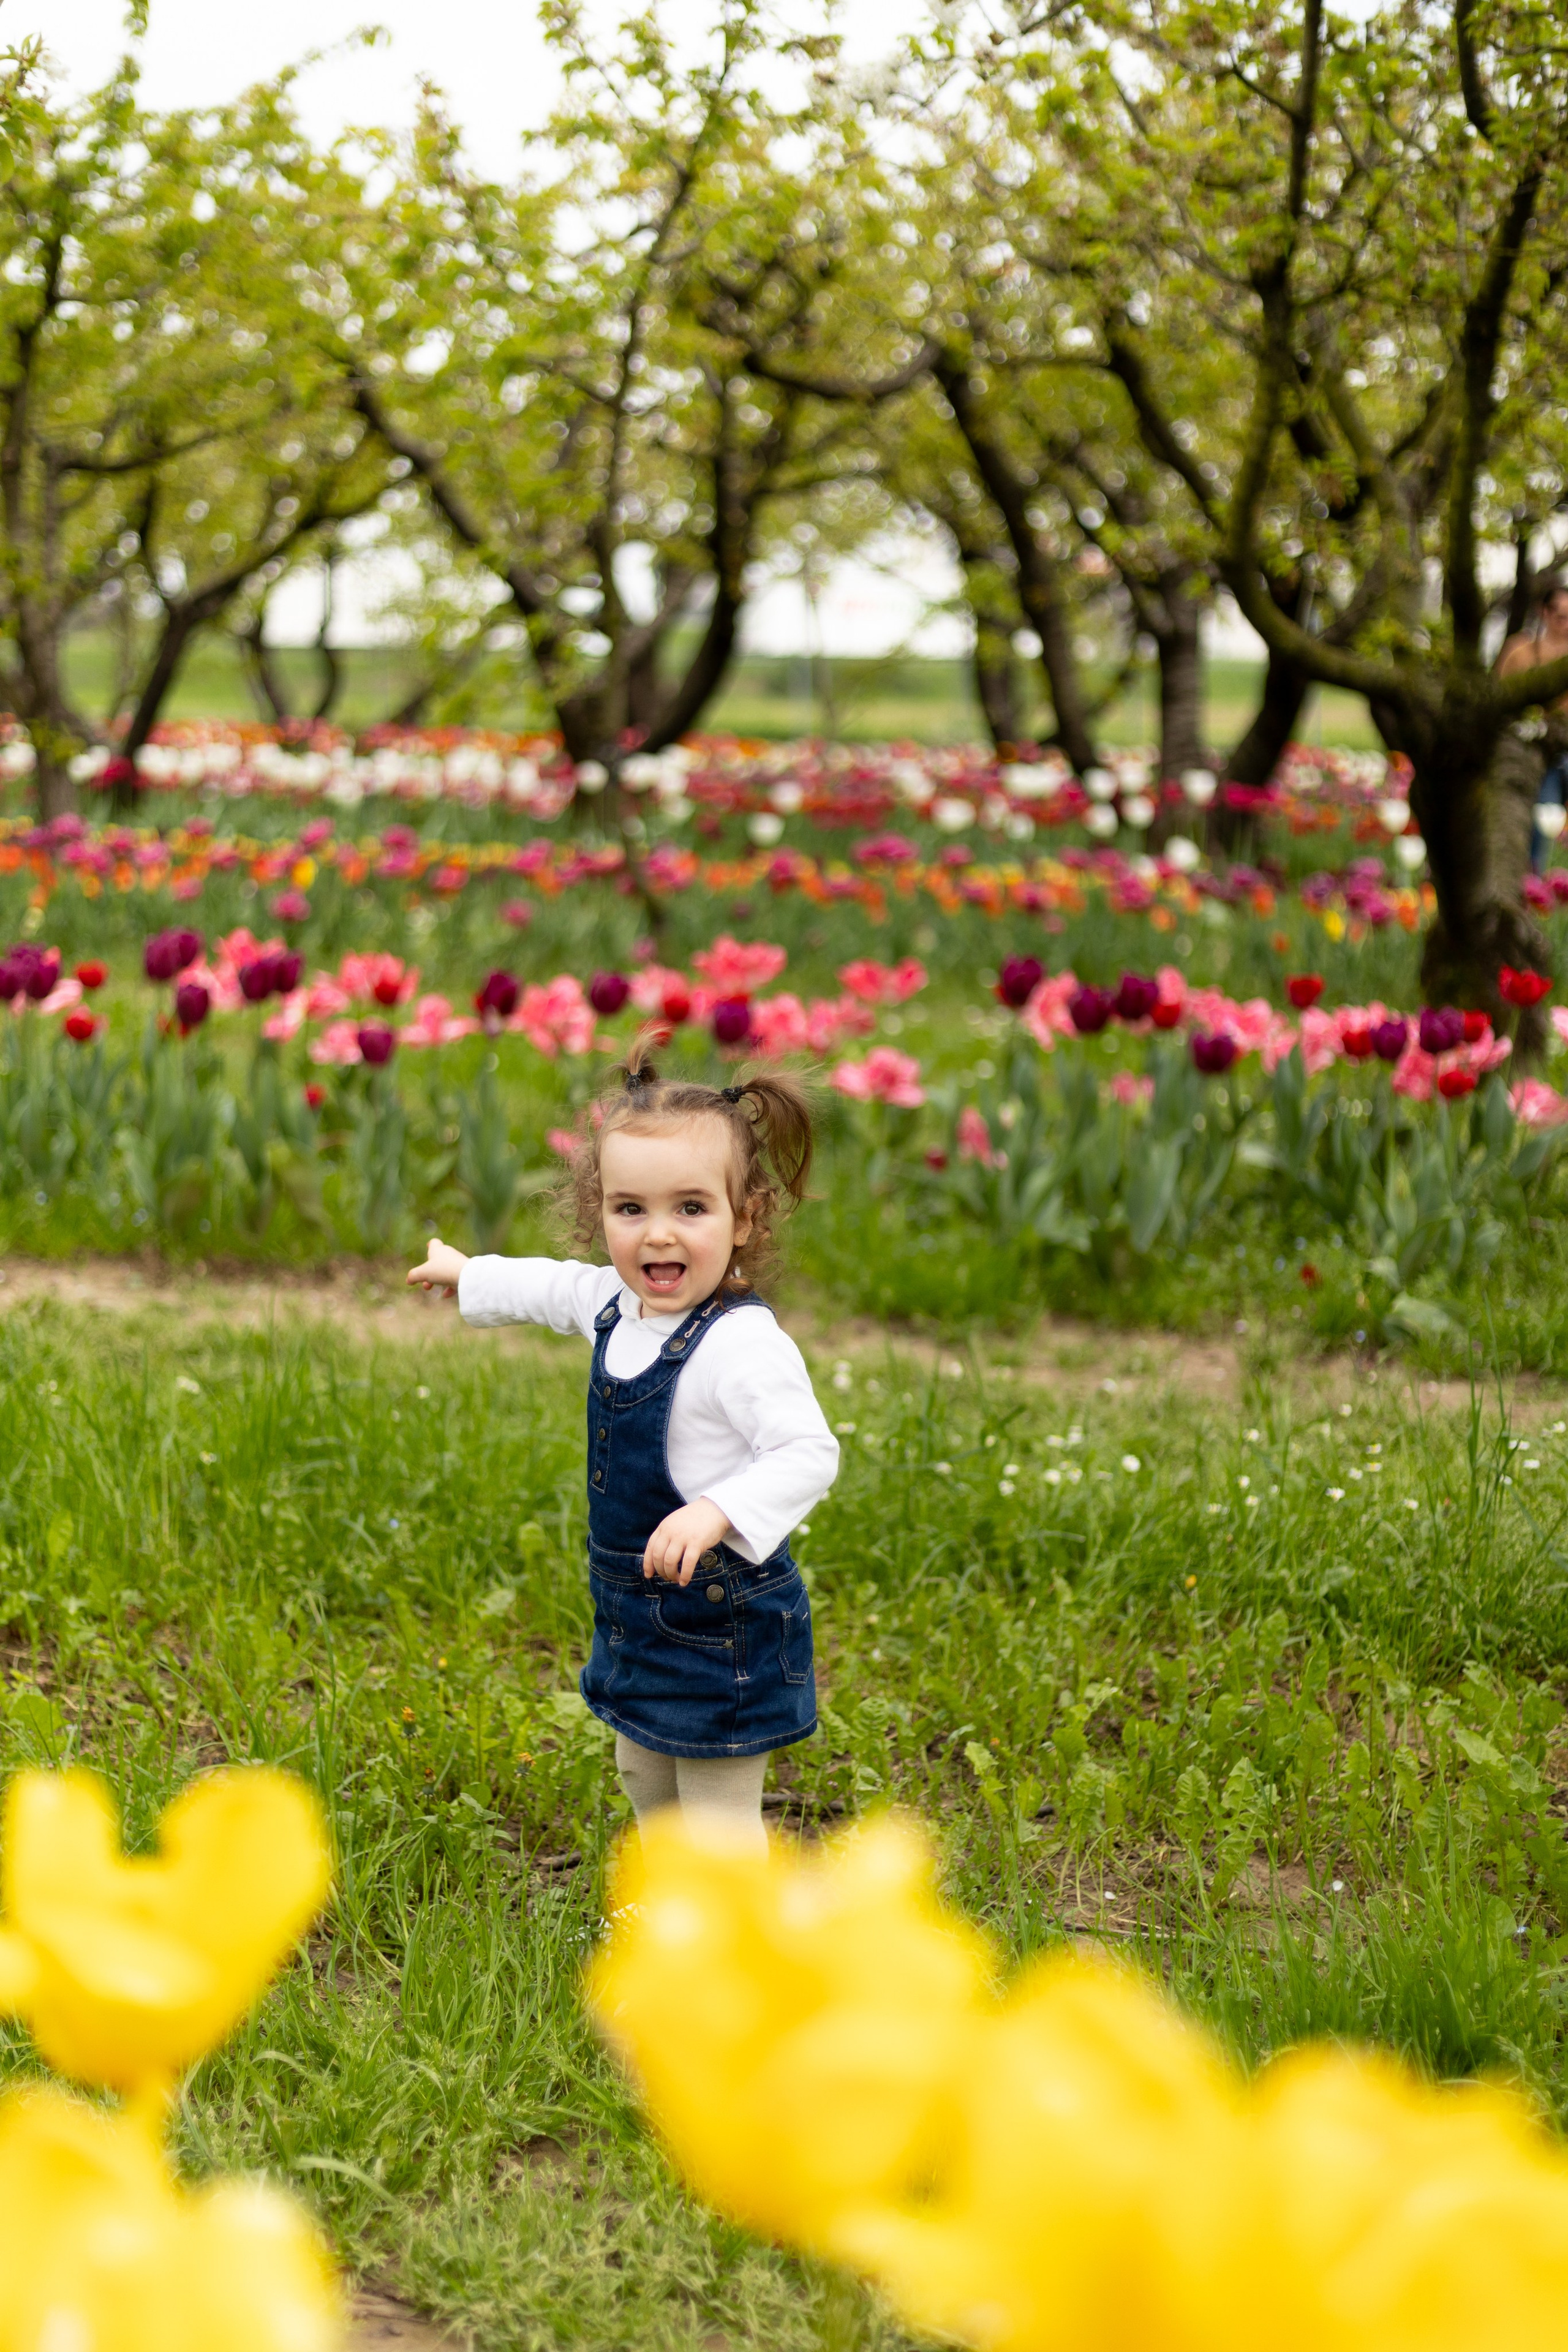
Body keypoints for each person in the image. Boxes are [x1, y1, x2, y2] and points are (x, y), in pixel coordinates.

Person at [407, 1049, 839, 1853]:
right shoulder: (616, 1300)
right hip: (640, 1612)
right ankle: (666, 1912)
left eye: (691, 1209)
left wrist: (719, 1511)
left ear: (743, 1219)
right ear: (600, 1212)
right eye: (630, 1209)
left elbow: (805, 1452)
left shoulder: (741, 1344)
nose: (658, 1233)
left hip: (723, 1621)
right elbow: (552, 1287)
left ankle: (729, 1950)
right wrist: (471, 1276)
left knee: (715, 1803)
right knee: (642, 1766)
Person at [1497, 576, 1568, 868]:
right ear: (1544, 612)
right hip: (1542, 754)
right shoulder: (1521, 652)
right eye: (1561, 616)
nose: (1566, 624)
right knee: (1541, 823)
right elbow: (1497, 700)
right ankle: (1536, 885)